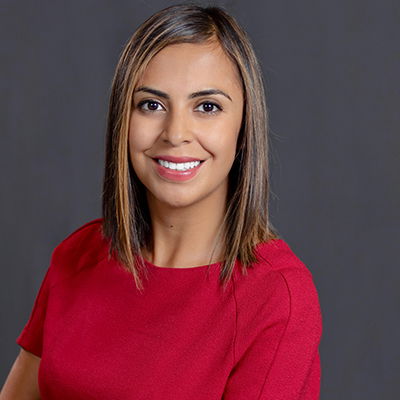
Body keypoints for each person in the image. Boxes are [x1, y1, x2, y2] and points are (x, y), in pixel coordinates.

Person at [1, 3, 323, 399]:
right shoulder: (77, 256)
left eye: (207, 107)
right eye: (151, 105)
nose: (176, 133)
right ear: (124, 120)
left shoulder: (278, 297)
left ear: (243, 129)